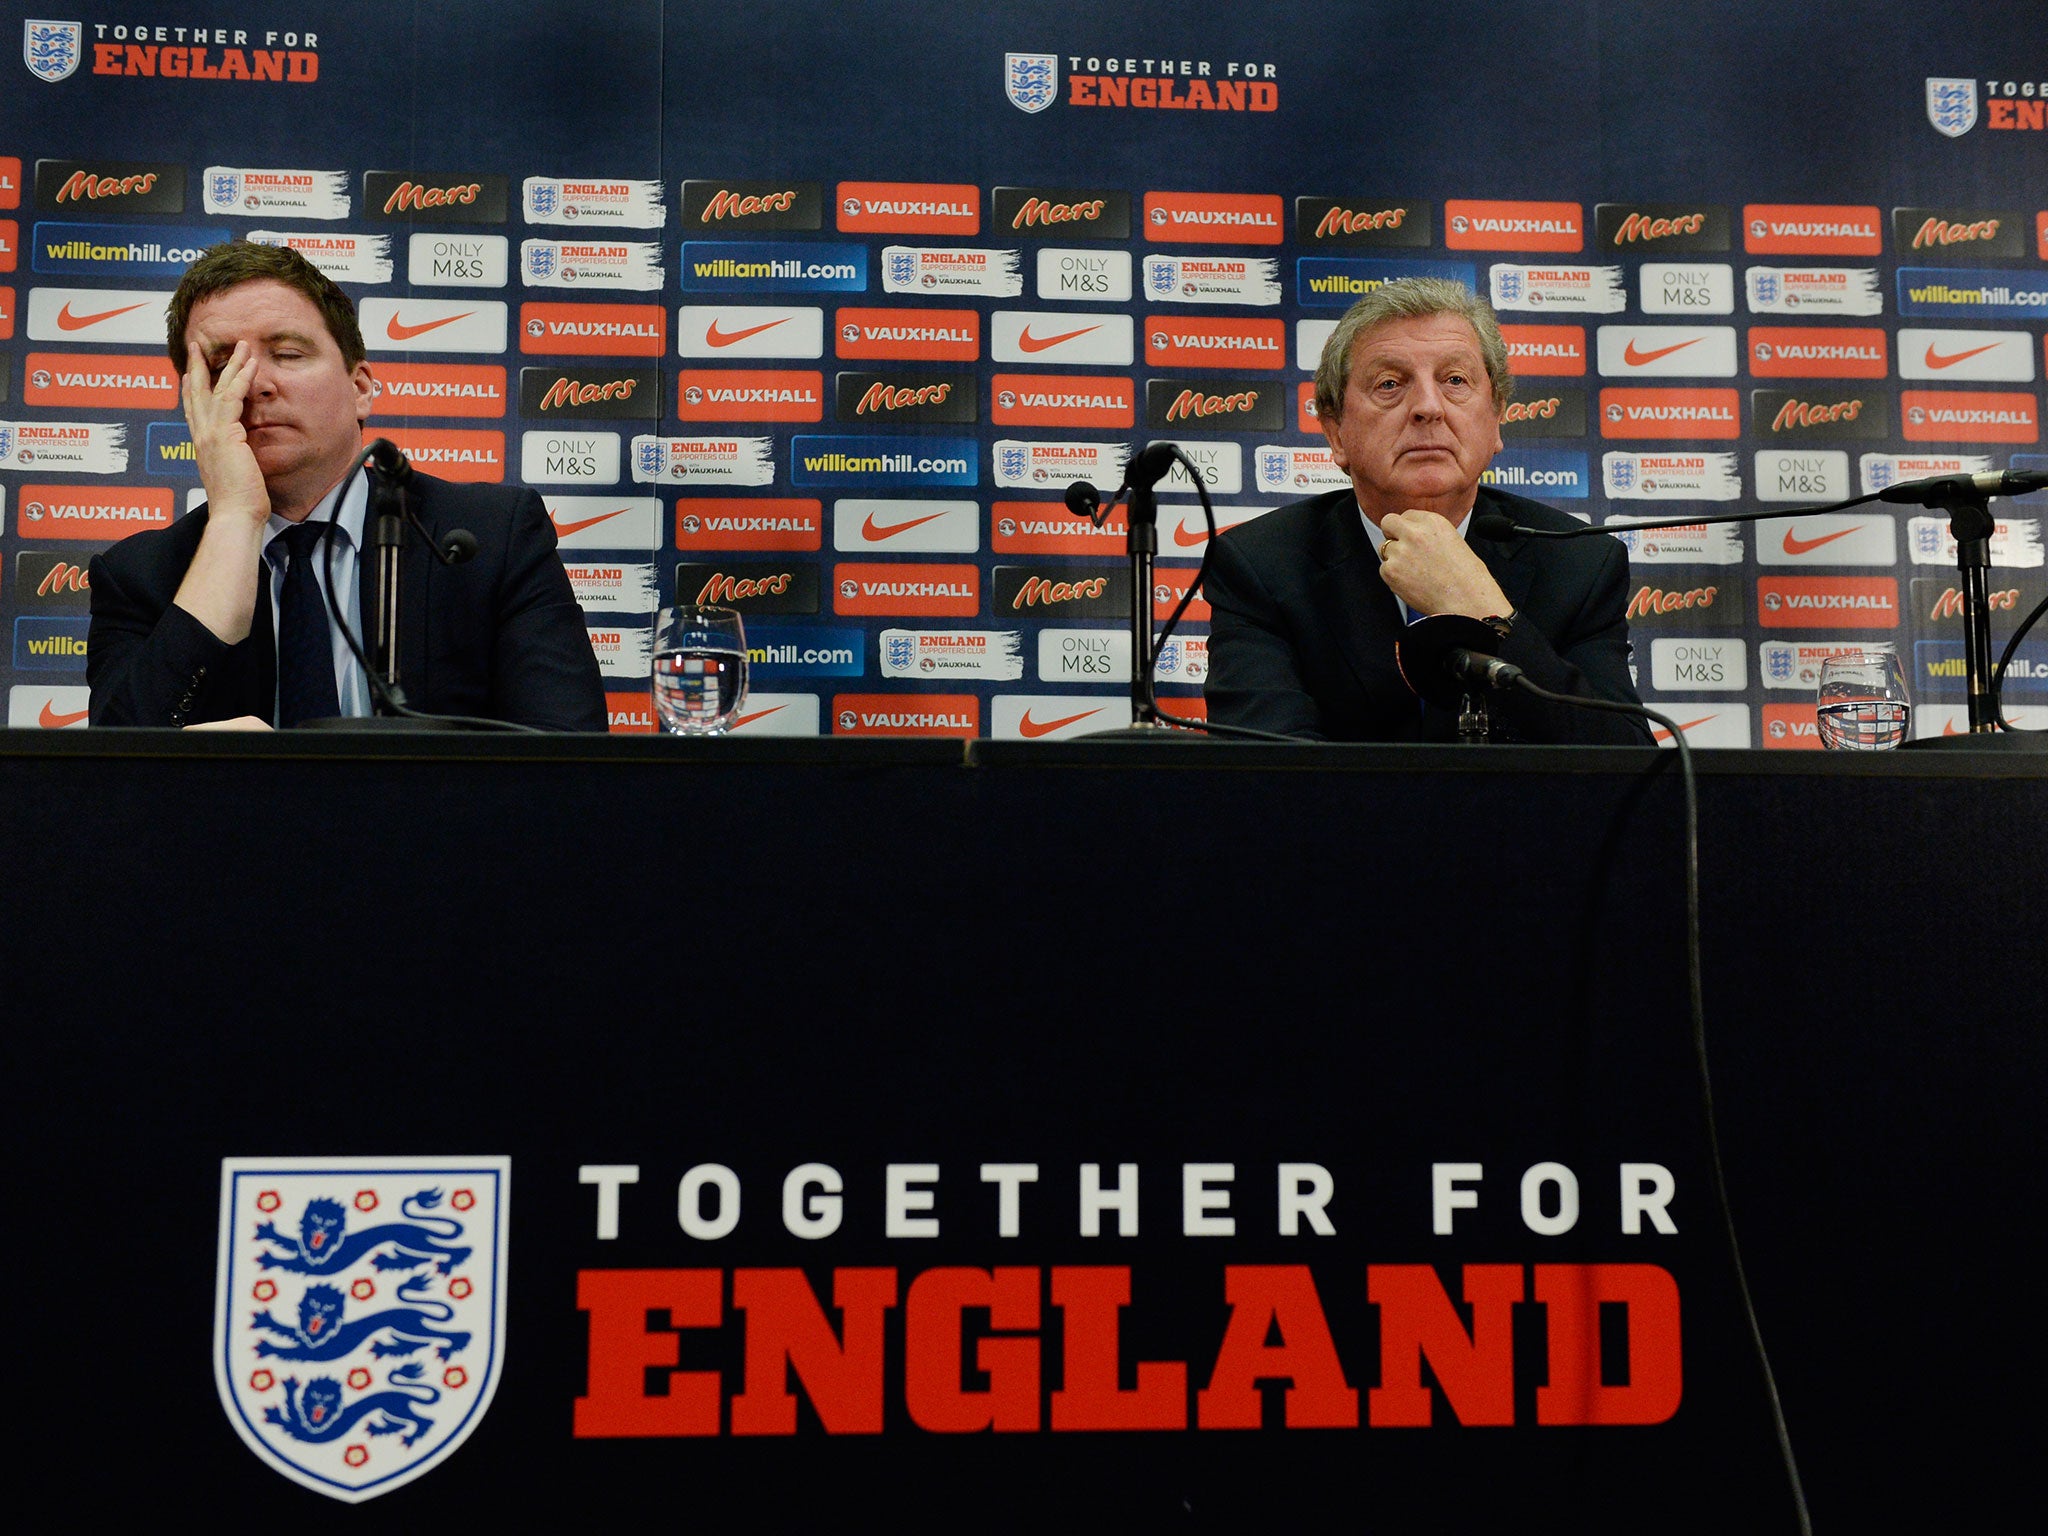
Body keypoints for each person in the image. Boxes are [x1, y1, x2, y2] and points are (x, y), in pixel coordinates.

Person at [87, 241, 606, 731]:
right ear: (193, 403)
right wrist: (234, 519)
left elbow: (564, 755)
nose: (256, 385)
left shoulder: (492, 537)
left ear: (360, 389)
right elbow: (118, 776)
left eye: (288, 354)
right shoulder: (139, 575)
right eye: (223, 369)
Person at [1204, 278, 1651, 744]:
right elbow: (1264, 778)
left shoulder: (1580, 565)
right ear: (1335, 432)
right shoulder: (1260, 566)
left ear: (1496, 417)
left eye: (1455, 380)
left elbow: (1622, 763)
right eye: (1390, 384)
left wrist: (1486, 612)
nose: (1428, 407)